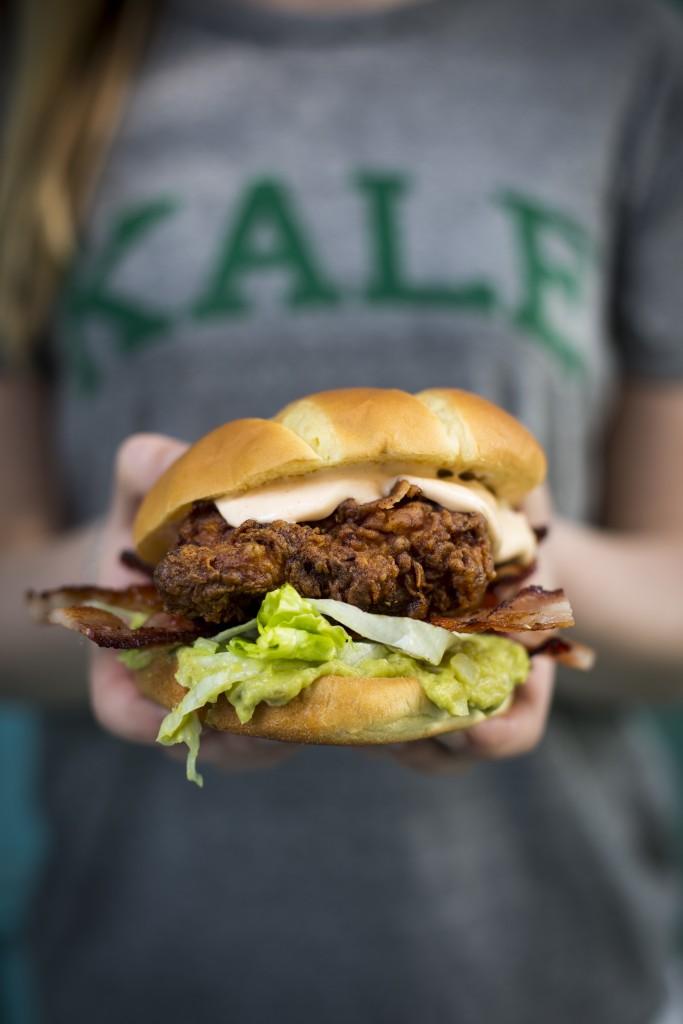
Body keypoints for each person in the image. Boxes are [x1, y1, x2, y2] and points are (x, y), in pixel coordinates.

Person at [1, 0, 683, 1021]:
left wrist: (529, 589)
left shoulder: (613, 43)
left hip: (556, 968)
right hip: (142, 968)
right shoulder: (39, 55)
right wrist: (120, 598)